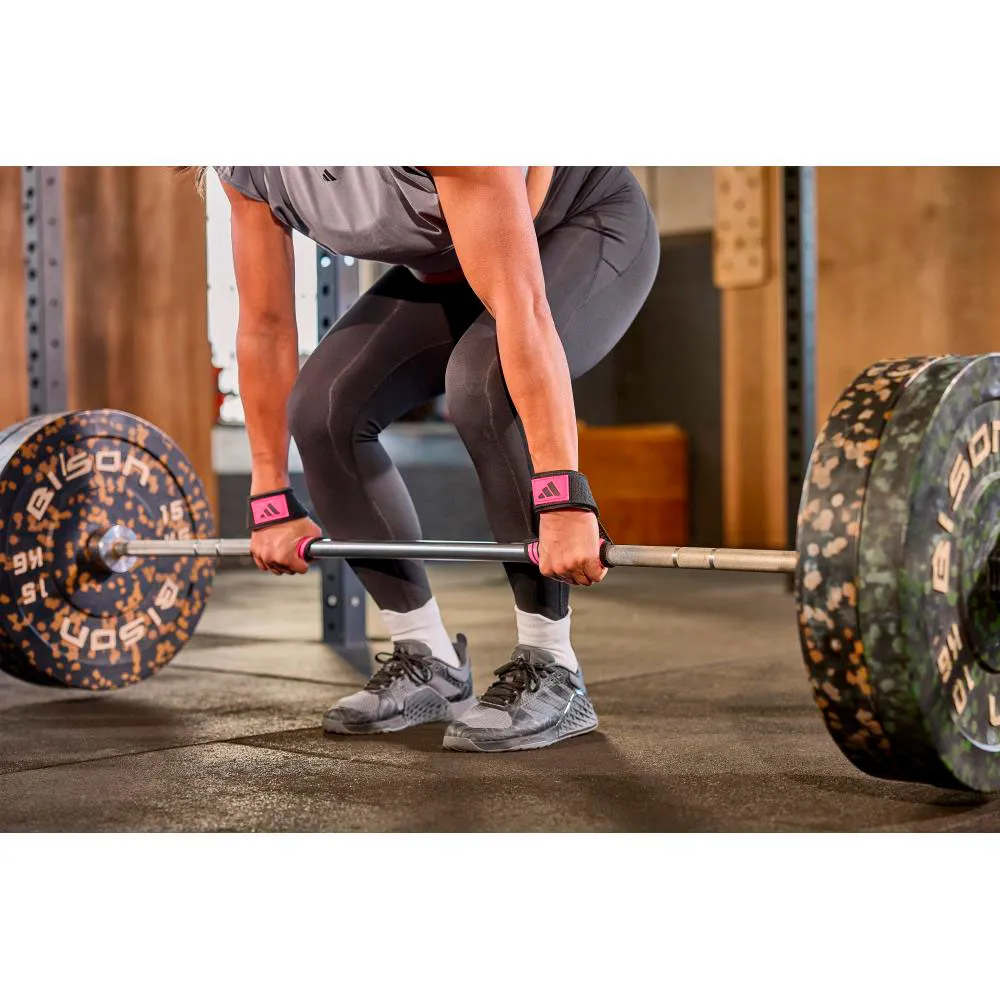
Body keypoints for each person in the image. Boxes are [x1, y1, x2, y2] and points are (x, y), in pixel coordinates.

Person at [194, 166, 658, 752]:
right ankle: (428, 659)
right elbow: (264, 327)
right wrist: (270, 496)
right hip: (453, 264)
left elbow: (522, 306)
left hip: (579, 226)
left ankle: (553, 665)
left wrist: (563, 495)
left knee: (483, 383)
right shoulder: (249, 166)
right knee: (323, 407)